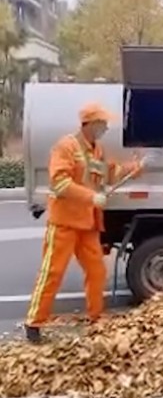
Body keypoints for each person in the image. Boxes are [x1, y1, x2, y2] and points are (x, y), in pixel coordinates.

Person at [24, 102, 153, 343]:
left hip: (88, 224)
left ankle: (96, 317)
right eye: (102, 123)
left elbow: (111, 172)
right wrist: (91, 196)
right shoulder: (66, 147)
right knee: (52, 273)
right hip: (64, 223)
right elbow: (59, 184)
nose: (105, 127)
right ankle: (33, 322)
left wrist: (136, 168)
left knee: (97, 272)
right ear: (90, 124)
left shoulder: (98, 151)